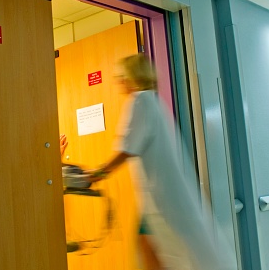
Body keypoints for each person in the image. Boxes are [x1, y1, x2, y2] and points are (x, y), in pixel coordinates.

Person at [89, 53, 236, 270]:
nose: (118, 82)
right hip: (162, 195)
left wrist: (98, 174)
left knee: (153, 248)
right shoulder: (153, 101)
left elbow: (128, 149)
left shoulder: (140, 101)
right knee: (155, 245)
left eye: (120, 76)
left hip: (162, 196)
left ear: (130, 76)